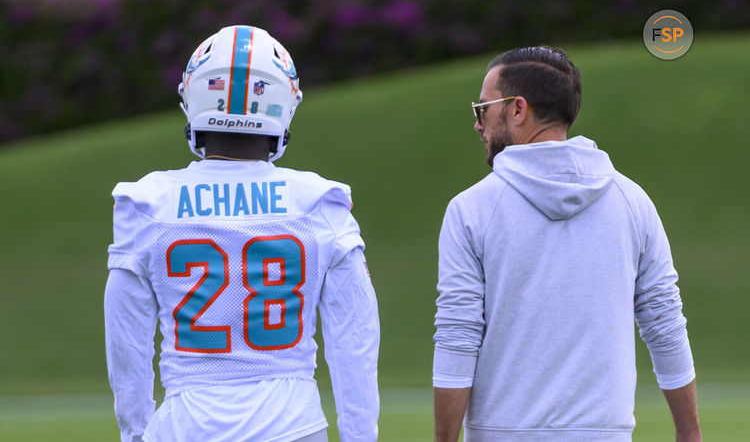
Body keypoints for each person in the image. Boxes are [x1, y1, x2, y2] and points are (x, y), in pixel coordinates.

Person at [104, 25, 380, 442]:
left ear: (193, 96)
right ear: (283, 103)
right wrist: (360, 436)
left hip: (186, 424)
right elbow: (355, 341)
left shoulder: (147, 202)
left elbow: (126, 339)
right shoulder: (319, 202)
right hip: (292, 424)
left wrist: (135, 431)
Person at [432, 46, 701, 442]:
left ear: (517, 109)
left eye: (482, 109)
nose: (478, 124)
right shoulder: (632, 201)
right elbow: (664, 324)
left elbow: (458, 336)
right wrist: (690, 434)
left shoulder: (471, 209)